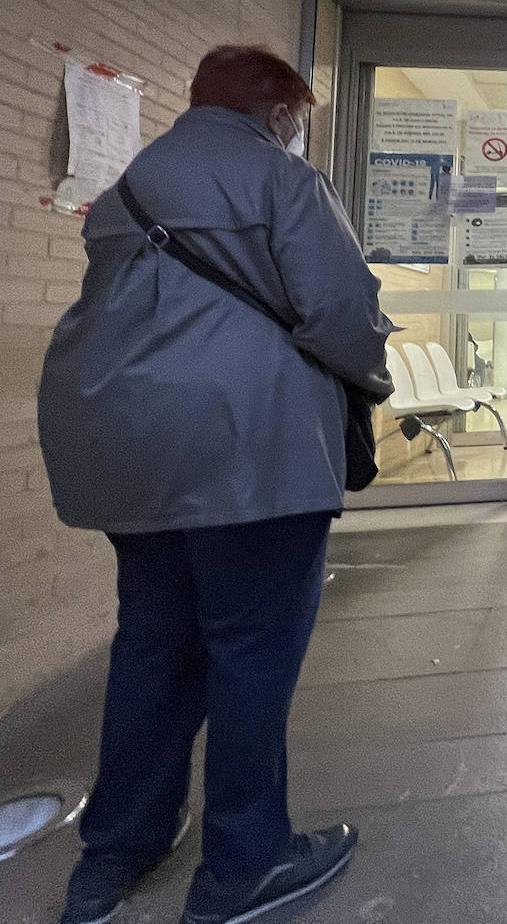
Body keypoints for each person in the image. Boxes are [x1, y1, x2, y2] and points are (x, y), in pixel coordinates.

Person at [37, 45, 393, 924]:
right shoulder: (281, 180)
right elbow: (340, 311)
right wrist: (371, 380)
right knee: (250, 653)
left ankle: (114, 853)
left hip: (127, 452)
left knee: (155, 646)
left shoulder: (129, 188)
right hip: (249, 455)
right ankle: (245, 864)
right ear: (280, 115)